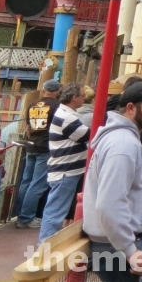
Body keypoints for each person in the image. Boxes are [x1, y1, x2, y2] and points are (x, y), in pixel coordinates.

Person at [83, 80, 142, 282]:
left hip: (122, 243)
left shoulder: (122, 140)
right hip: (127, 244)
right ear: (131, 108)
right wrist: (130, 250)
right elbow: (109, 204)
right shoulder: (123, 145)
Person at [38, 82, 89, 243]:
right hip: (65, 171)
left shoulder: (66, 114)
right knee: (55, 211)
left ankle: (46, 245)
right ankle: (45, 247)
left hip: (65, 169)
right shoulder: (67, 117)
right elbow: (88, 135)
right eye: (82, 96)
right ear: (74, 97)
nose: (84, 99)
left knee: (56, 209)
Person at [16, 79, 62, 229]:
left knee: (26, 182)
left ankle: (20, 214)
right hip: (46, 147)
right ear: (57, 91)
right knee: (37, 184)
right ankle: (26, 218)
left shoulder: (32, 104)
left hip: (32, 145)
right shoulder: (57, 106)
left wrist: (33, 138)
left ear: (43, 90)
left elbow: (28, 127)